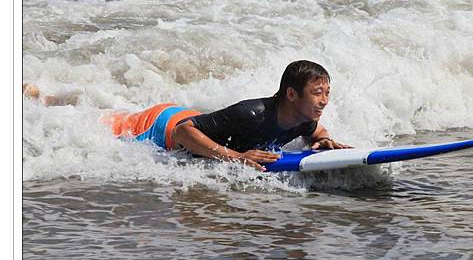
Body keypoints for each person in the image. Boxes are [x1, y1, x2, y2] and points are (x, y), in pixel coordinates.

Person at [24, 60, 352, 171]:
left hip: (194, 119)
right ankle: (40, 98)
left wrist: (324, 141)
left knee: (106, 113)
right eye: (317, 93)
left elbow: (314, 130)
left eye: (327, 93)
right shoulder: (251, 113)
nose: (323, 101)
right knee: (89, 124)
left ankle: (53, 97)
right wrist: (235, 157)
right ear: (292, 95)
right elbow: (182, 133)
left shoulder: (304, 116)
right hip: (160, 125)